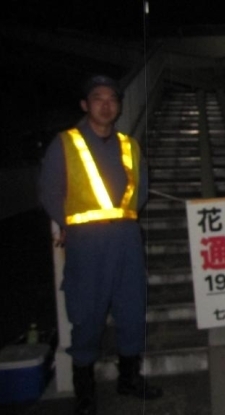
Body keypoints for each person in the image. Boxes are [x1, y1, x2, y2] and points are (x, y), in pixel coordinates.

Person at [38, 75, 162, 415]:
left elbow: (142, 189)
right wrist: (68, 224)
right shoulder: (65, 143)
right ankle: (85, 393)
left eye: (112, 99)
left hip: (126, 238)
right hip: (87, 242)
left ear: (119, 106)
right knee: (87, 313)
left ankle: (129, 378)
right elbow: (50, 191)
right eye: (98, 98)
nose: (106, 105)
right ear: (85, 105)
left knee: (131, 309)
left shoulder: (129, 145)